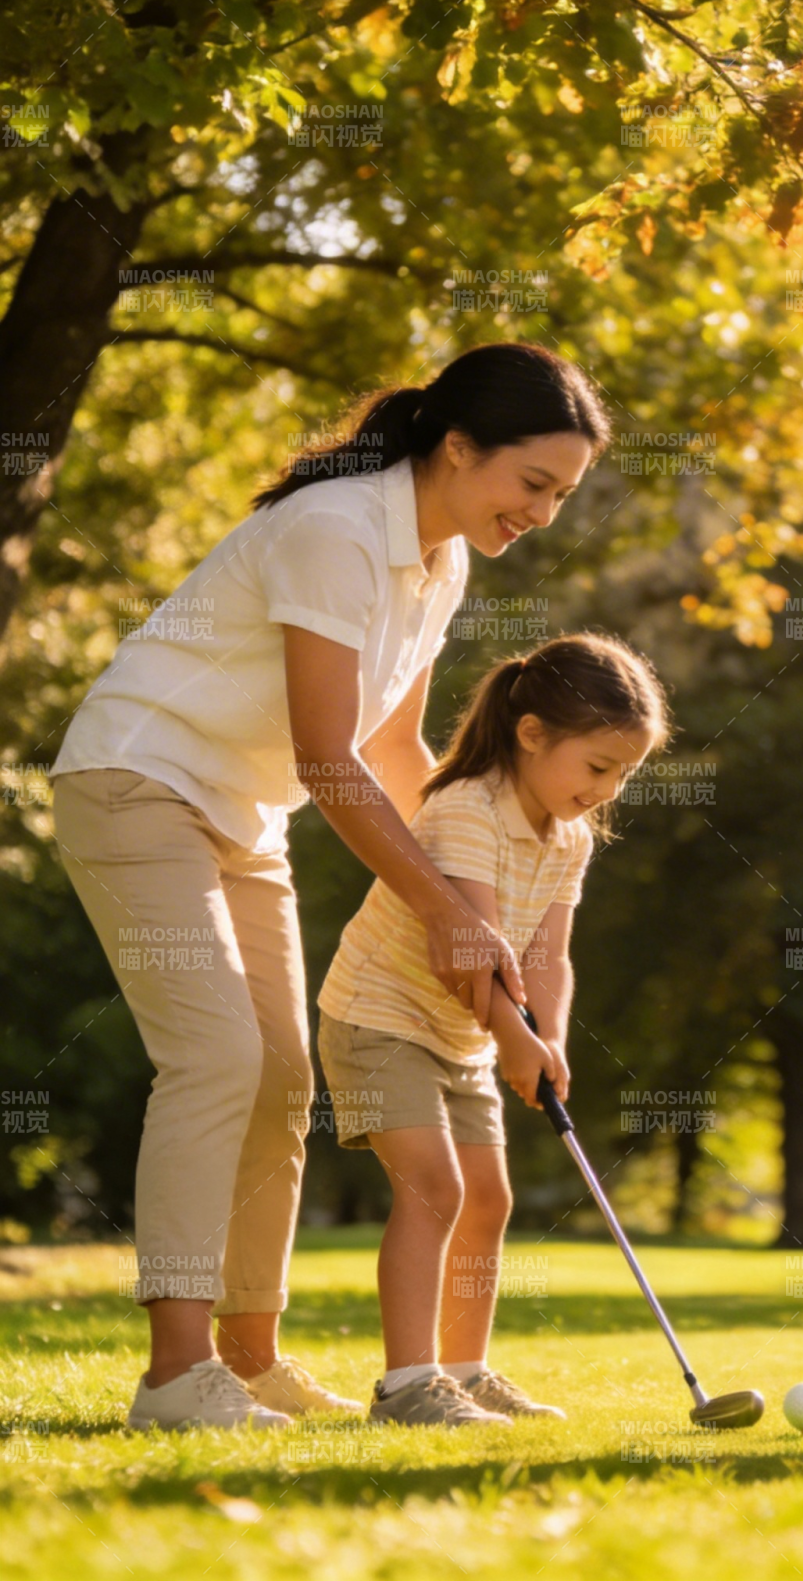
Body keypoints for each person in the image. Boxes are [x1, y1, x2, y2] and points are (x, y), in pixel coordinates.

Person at [49, 343, 610, 1430]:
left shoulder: (440, 564)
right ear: (458, 448)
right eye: (532, 484)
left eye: (561, 495)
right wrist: (446, 911)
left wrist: (470, 876)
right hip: (136, 780)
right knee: (216, 1055)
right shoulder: (336, 529)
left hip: (242, 817)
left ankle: (247, 1360)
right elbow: (327, 758)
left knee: (282, 1077)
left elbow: (394, 744)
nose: (542, 513)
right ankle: (173, 1375)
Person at [316, 633, 670, 1427]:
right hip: (380, 1014)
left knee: (488, 1200)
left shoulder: (569, 836)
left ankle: (465, 1373)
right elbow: (470, 953)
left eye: (624, 775)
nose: (607, 790)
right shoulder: (467, 808)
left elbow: (549, 956)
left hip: (463, 1036)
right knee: (433, 1188)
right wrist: (514, 1038)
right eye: (598, 767)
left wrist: (551, 1040)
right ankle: (406, 1387)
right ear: (533, 733)